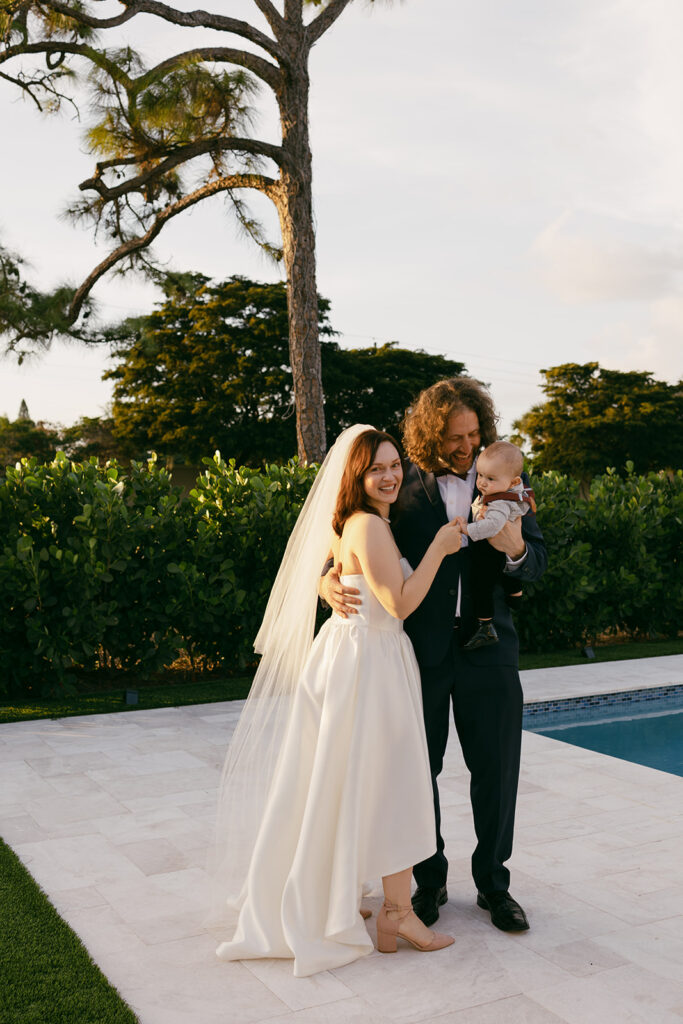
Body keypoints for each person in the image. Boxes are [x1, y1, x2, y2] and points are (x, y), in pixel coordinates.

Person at [212, 426, 462, 978]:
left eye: (395, 464)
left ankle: (361, 901)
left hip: (358, 658)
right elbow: (397, 604)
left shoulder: (354, 521)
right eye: (377, 468)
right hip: (370, 664)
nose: (391, 475)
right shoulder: (370, 524)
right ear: (355, 477)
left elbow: (341, 569)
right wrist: (441, 550)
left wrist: (330, 578)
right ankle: (398, 915)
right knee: (394, 784)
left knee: (356, 783)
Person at [321, 379, 547, 934]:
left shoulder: (509, 479)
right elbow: (350, 535)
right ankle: (429, 882)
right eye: (453, 437)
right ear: (430, 434)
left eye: (473, 435)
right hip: (416, 652)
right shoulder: (400, 480)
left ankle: (495, 885)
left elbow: (537, 559)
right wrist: (329, 580)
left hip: (490, 649)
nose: (466, 446)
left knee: (496, 769)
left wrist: (514, 546)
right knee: (418, 770)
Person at [462, 440, 536, 651]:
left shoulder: (499, 502)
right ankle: (515, 595)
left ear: (512, 481)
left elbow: (492, 527)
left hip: (491, 549)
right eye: (480, 475)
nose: (482, 483)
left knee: (481, 584)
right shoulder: (509, 491)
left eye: (490, 478)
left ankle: (485, 626)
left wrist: (467, 529)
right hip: (502, 552)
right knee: (505, 571)